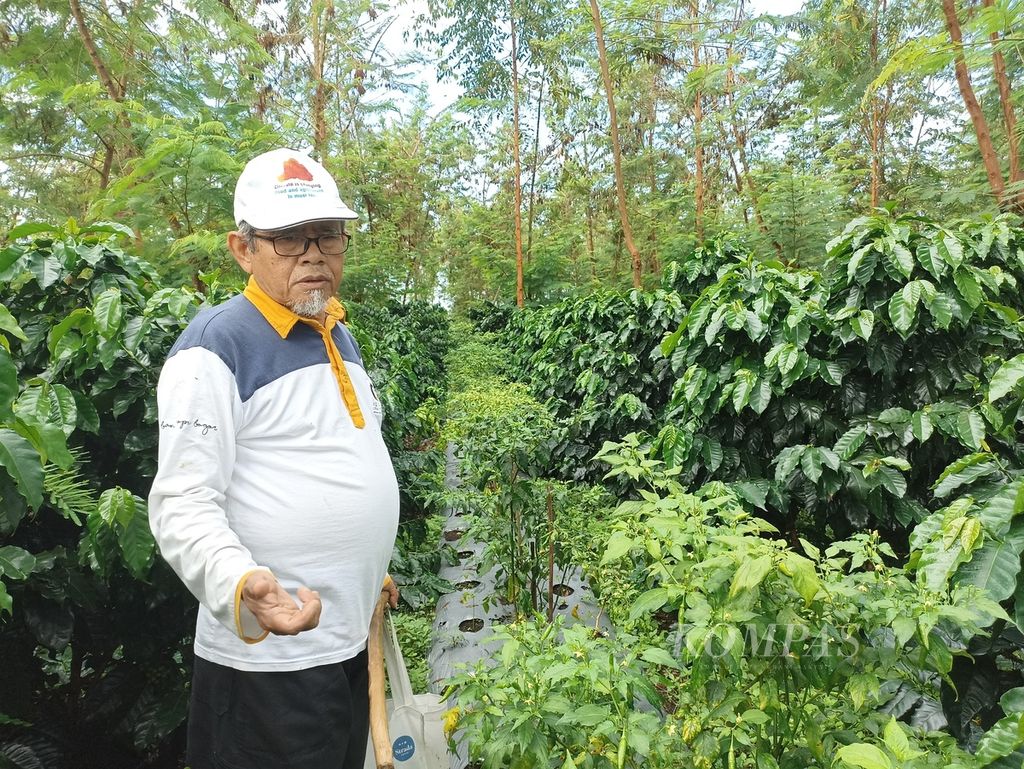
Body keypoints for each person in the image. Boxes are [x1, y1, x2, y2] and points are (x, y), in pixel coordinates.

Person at [148, 147, 400, 769]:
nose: (313, 253)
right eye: (289, 239)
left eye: (328, 235)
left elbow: (337, 462)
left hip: (342, 648)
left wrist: (369, 572)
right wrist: (241, 582)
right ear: (242, 249)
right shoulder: (215, 347)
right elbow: (181, 502)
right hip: (269, 671)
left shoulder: (337, 331)